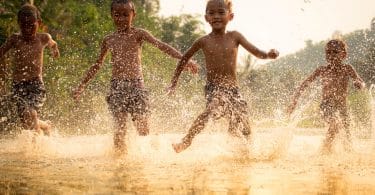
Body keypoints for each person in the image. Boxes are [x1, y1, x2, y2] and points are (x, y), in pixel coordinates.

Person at [72, 0, 197, 153]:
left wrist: (184, 59)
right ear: (112, 15)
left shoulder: (138, 34)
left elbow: (161, 45)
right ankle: (120, 166)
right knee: (119, 130)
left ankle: (151, 153)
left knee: (143, 129)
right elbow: (97, 65)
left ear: (133, 15)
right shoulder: (109, 39)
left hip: (137, 86)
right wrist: (82, 84)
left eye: (126, 15)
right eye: (117, 15)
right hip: (116, 87)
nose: (121, 19)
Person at [168, 0, 279, 153]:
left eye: (221, 12)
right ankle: (186, 140)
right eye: (211, 13)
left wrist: (268, 54)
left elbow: (257, 52)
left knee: (244, 126)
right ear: (206, 18)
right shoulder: (203, 41)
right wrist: (174, 83)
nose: (216, 16)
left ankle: (247, 153)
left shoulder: (235, 37)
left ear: (230, 16)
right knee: (212, 108)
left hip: (234, 90)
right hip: (214, 88)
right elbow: (184, 59)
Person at [287, 39, 365, 153]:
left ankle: (337, 155)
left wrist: (359, 84)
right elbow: (304, 84)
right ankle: (324, 152)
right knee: (335, 124)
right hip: (326, 105)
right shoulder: (322, 70)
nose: (331, 55)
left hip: (343, 108)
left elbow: (360, 81)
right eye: (328, 52)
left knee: (347, 139)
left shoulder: (347, 68)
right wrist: (294, 102)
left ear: (343, 54)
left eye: (335, 52)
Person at [0, 4, 60, 136]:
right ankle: (45, 125)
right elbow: (1, 52)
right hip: (18, 85)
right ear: (18, 23)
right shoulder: (14, 39)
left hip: (36, 85)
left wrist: (54, 49)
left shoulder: (43, 38)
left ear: (39, 23)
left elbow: (53, 43)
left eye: (31, 25)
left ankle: (36, 148)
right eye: (23, 25)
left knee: (30, 113)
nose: (27, 29)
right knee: (25, 120)